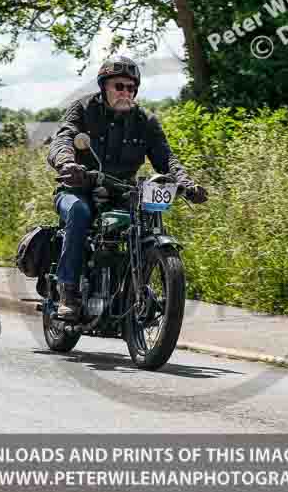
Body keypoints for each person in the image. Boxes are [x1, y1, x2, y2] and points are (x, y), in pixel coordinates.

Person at [47, 55, 208, 322]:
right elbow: (63, 138)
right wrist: (67, 163)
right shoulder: (83, 109)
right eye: (119, 86)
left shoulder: (145, 120)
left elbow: (166, 159)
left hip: (122, 192)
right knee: (79, 213)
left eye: (131, 87)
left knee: (141, 225)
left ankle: (131, 291)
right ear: (104, 86)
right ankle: (68, 292)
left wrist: (187, 185)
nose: (126, 92)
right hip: (78, 188)